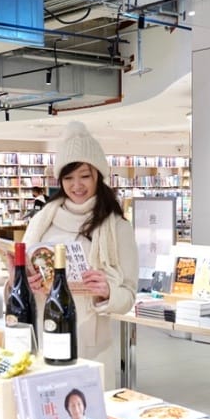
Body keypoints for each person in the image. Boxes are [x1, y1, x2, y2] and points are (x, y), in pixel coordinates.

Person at [18, 121, 139, 389]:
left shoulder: (117, 227)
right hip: (44, 335)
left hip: (90, 344)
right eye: (69, 177)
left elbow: (129, 295)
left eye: (84, 175)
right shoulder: (43, 220)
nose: (77, 185)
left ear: (98, 175)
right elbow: (19, 281)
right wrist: (28, 282)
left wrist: (108, 291)